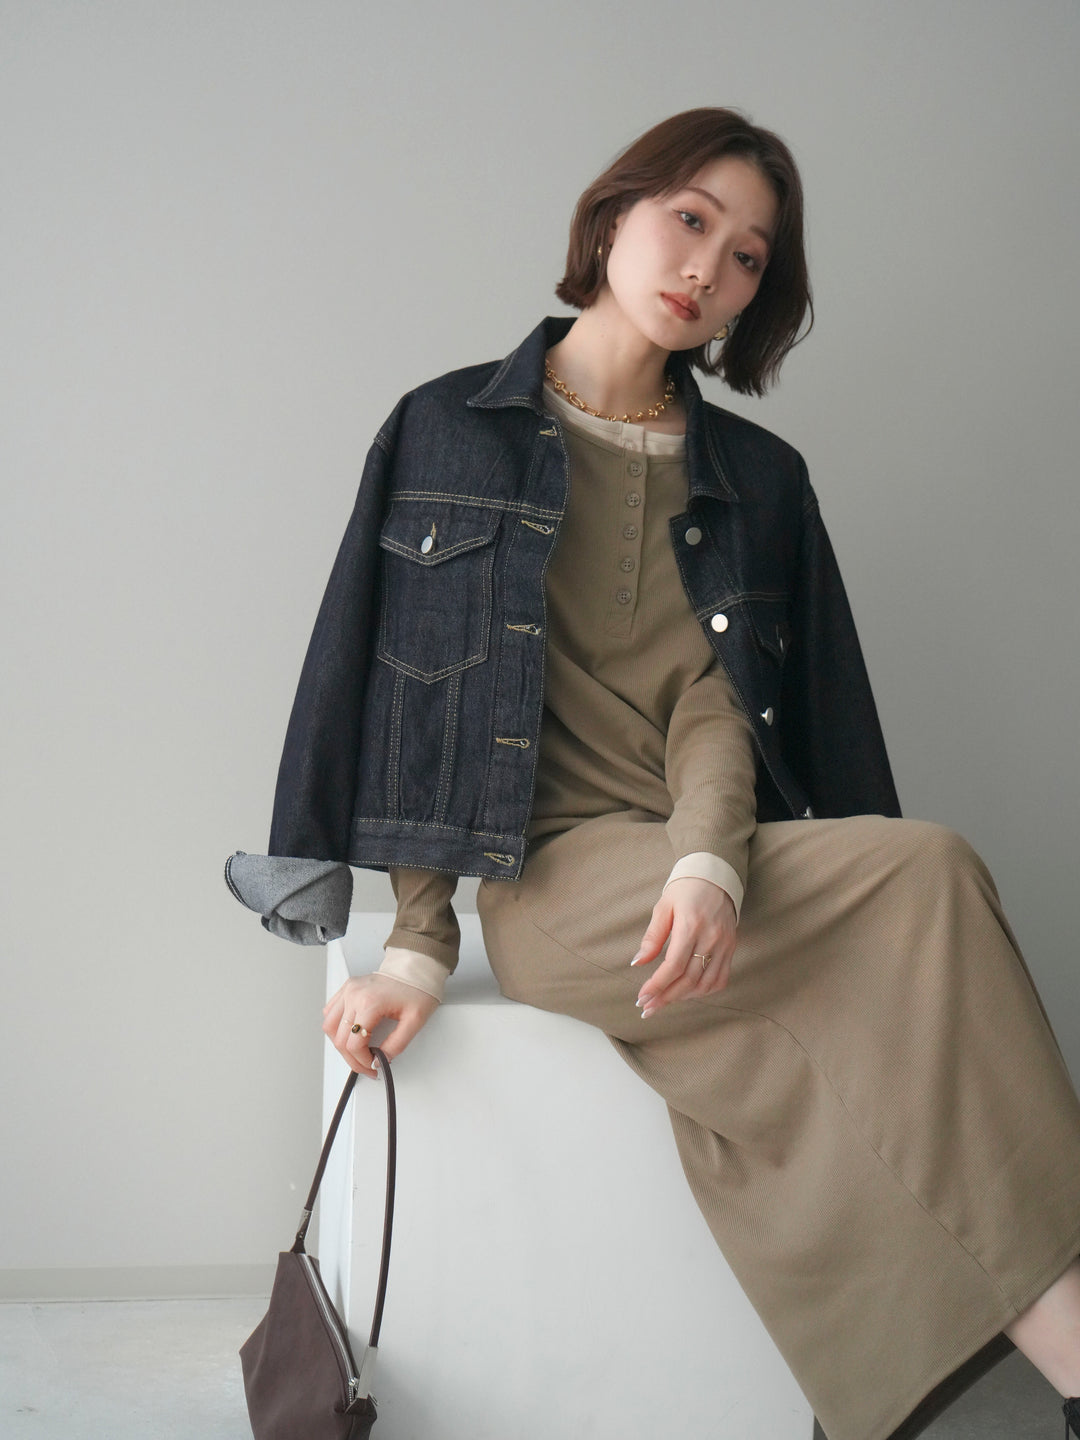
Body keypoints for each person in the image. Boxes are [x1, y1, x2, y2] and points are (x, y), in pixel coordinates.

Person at [226, 108, 1080, 1440]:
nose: (707, 268)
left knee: (911, 919)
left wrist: (707, 861)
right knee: (926, 890)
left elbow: (712, 706)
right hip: (553, 884)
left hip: (698, 852)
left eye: (747, 257)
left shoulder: (756, 479)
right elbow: (406, 698)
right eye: (690, 220)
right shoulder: (446, 429)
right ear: (614, 212)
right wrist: (418, 946)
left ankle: (1058, 1350)